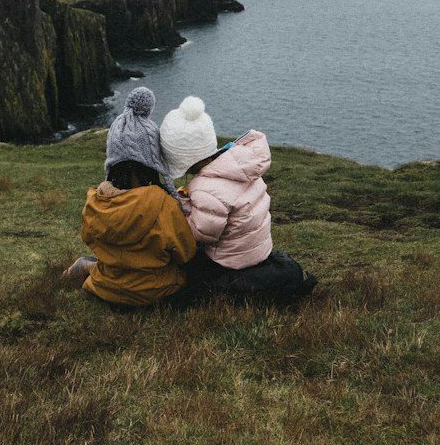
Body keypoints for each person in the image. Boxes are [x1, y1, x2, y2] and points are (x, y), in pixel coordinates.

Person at [158, 95, 317, 302]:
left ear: (184, 160)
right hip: (256, 250)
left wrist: (182, 209)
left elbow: (202, 233)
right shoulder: (237, 165)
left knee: (192, 274)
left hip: (231, 261)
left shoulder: (206, 188)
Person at [67, 87, 197, 309]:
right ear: (153, 160)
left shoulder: (94, 203)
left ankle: (81, 270)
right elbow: (185, 253)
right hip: (156, 292)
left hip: (106, 288)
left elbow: (90, 240)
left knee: (100, 261)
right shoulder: (162, 204)